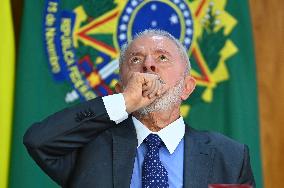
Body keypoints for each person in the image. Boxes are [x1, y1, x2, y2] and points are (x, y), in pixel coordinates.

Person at [23, 29, 255, 188]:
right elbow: (38, 141)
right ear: (120, 89)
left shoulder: (231, 157)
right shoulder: (88, 148)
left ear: (186, 87)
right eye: (135, 60)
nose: (148, 65)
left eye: (162, 57)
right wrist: (123, 103)